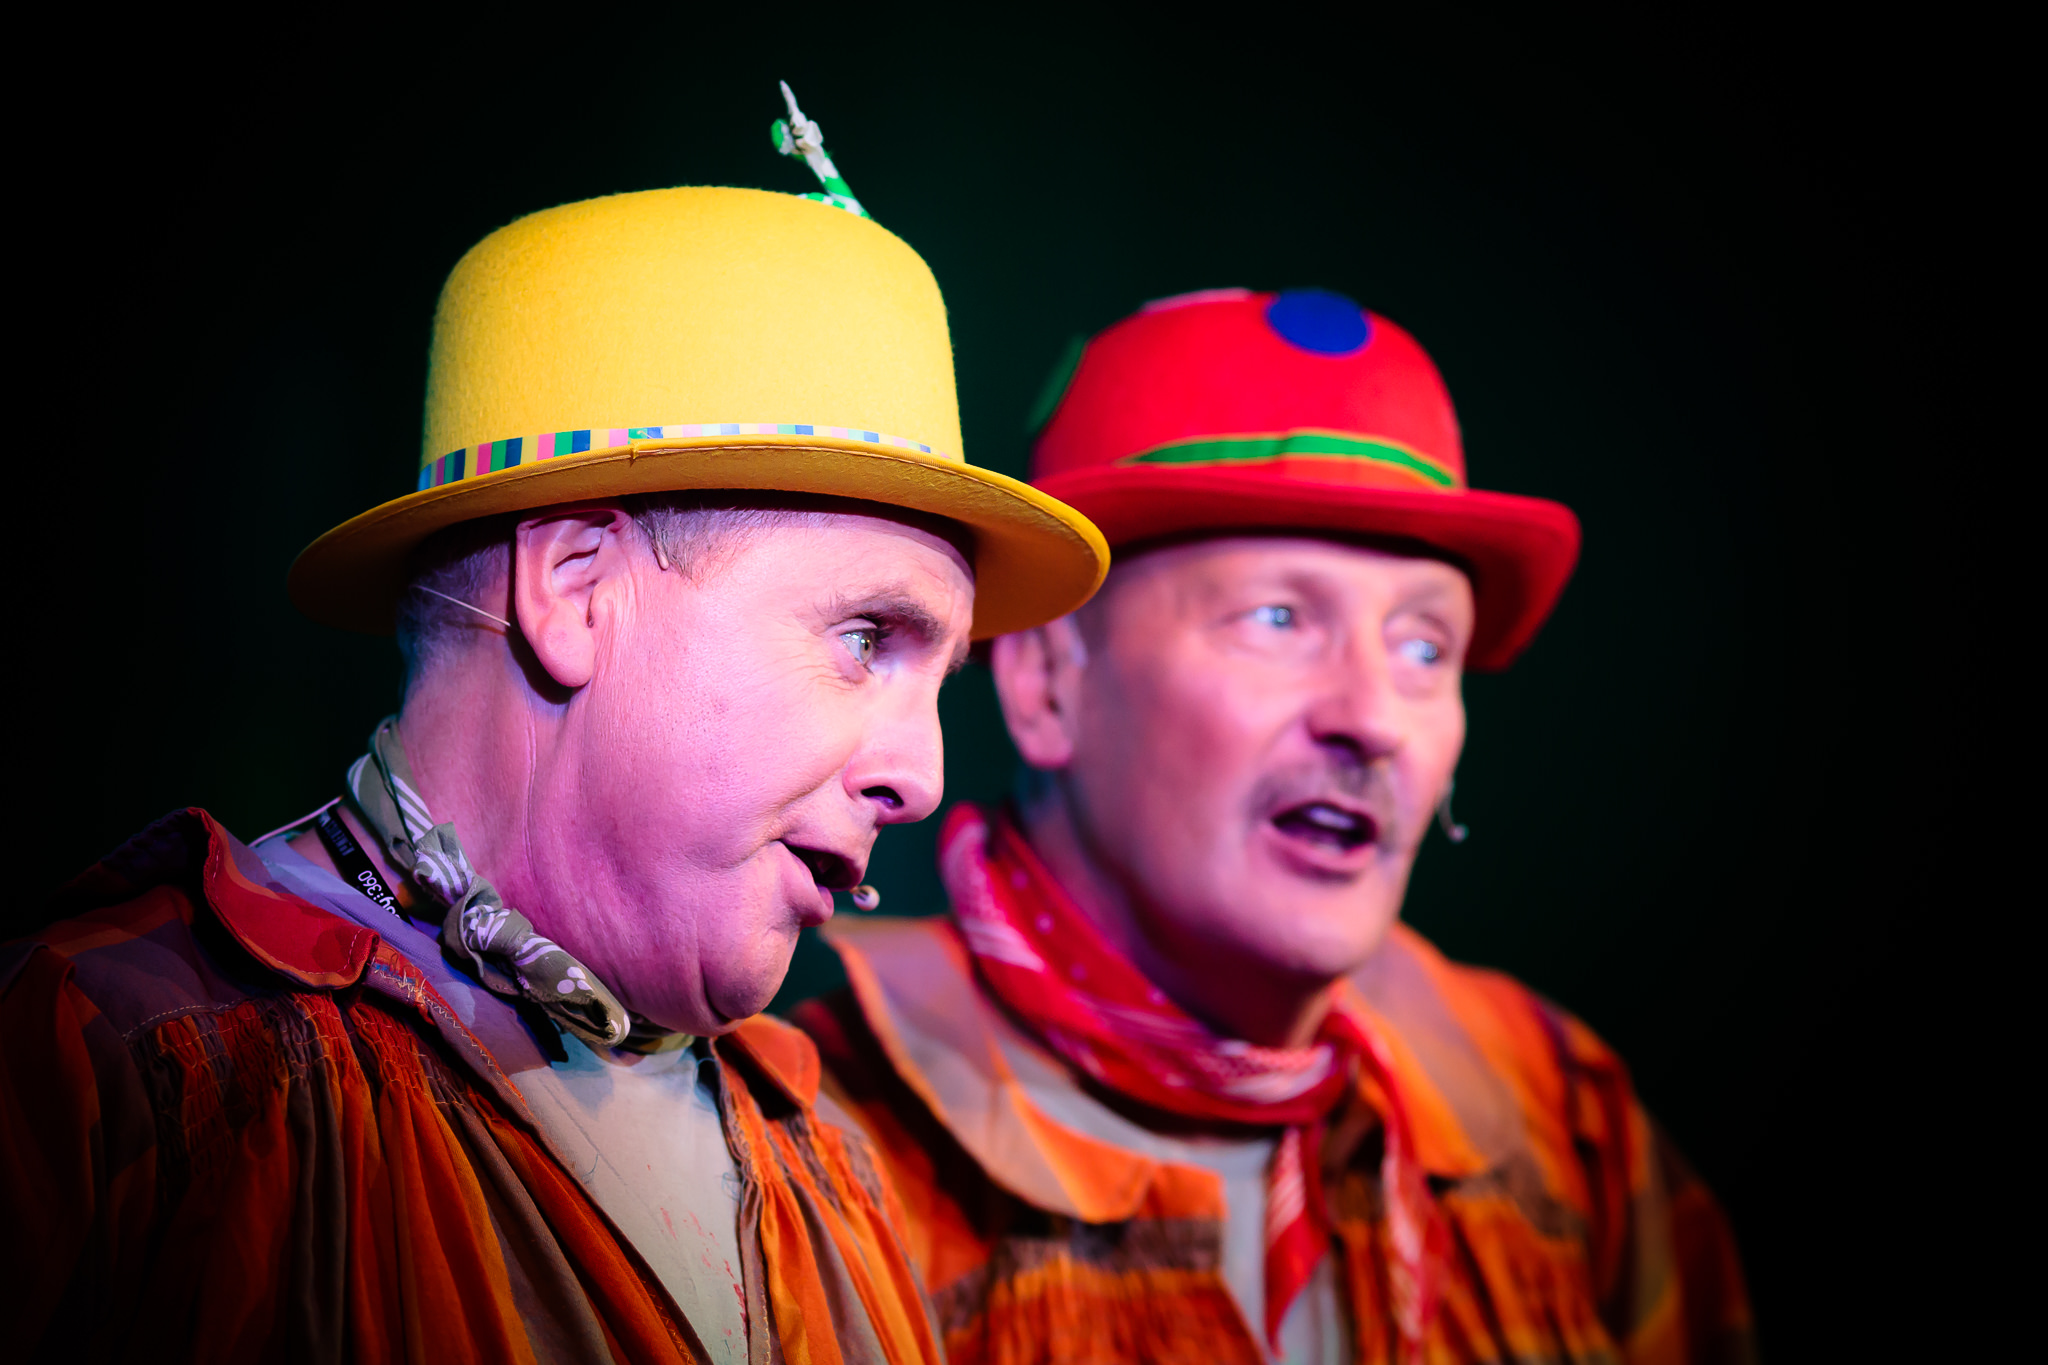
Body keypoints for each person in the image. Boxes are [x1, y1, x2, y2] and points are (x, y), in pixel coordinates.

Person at [0, 98, 1109, 1363]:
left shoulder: (824, 1166)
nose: (923, 775)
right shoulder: (116, 1070)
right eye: (864, 638)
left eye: (938, 679)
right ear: (577, 590)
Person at [795, 288, 1755, 1364]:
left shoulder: (1560, 1109)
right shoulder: (819, 1150)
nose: (1373, 719)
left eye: (1425, 647)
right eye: (1278, 618)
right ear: (1047, 683)